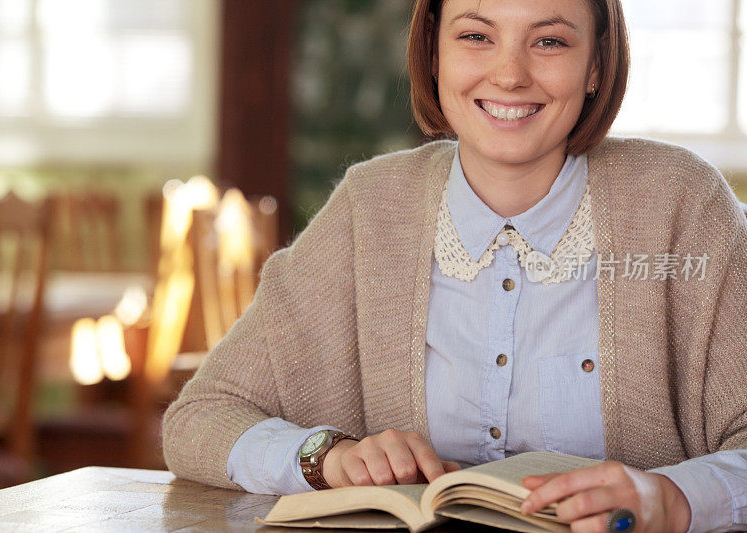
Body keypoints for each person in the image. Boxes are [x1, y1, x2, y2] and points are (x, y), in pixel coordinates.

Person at [162, 0, 747, 531]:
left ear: (596, 65)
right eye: (476, 37)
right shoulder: (370, 208)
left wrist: (673, 497)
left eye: (549, 42)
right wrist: (328, 458)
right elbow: (201, 418)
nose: (510, 74)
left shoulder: (683, 205)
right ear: (433, 54)